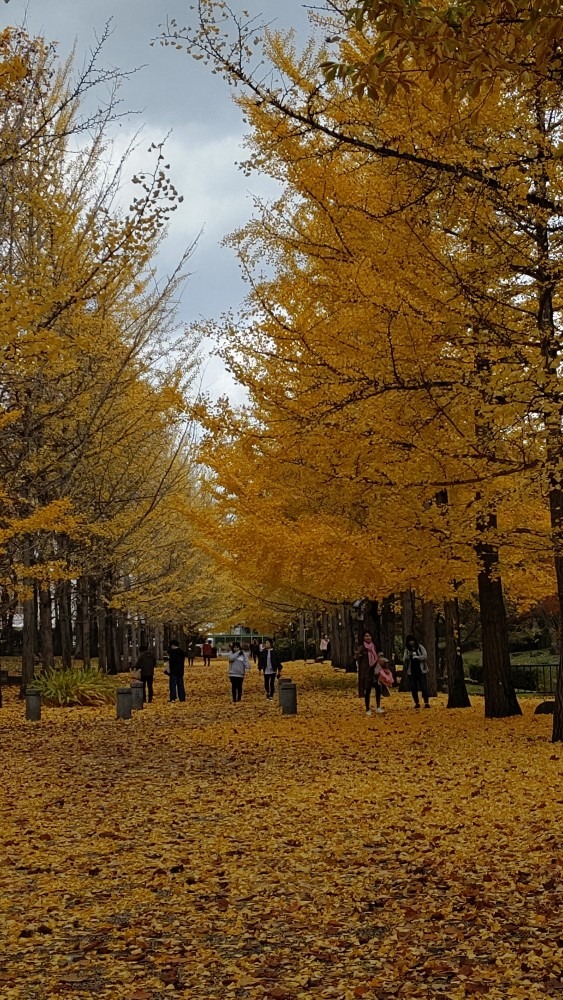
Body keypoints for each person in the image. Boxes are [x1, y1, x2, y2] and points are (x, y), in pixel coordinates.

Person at [355, 630, 384, 716]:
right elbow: (356, 658)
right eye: (366, 636)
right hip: (366, 671)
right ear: (363, 638)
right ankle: (367, 708)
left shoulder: (375, 646)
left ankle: (378, 707)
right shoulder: (361, 648)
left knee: (378, 688)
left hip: (375, 669)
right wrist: (358, 655)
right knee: (367, 690)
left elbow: (380, 654)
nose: (368, 637)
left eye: (369, 636)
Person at [403, 634, 430, 709]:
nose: (411, 642)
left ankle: (426, 702)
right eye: (409, 641)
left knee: (424, 687)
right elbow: (404, 659)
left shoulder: (420, 647)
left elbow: (425, 656)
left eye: (412, 641)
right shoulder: (407, 650)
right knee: (413, 687)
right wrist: (409, 656)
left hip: (421, 670)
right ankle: (417, 702)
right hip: (411, 671)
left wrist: (417, 658)